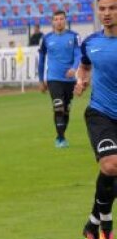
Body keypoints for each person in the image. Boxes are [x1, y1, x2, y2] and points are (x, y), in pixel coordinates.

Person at [75, 0, 117, 239]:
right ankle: (107, 223)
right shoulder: (90, 42)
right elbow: (85, 65)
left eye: (112, 8)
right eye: (102, 9)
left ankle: (93, 220)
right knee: (111, 165)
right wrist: (81, 80)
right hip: (100, 113)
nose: (107, 13)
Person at [37, 10, 82, 147]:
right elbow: (41, 59)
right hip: (53, 79)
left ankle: (62, 135)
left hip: (69, 80)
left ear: (65, 20)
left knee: (66, 109)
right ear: (52, 22)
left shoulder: (74, 36)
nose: (59, 21)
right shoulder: (46, 39)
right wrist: (40, 79)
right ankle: (60, 138)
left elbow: (78, 55)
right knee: (58, 106)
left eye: (61, 19)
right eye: (56, 19)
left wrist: (74, 68)